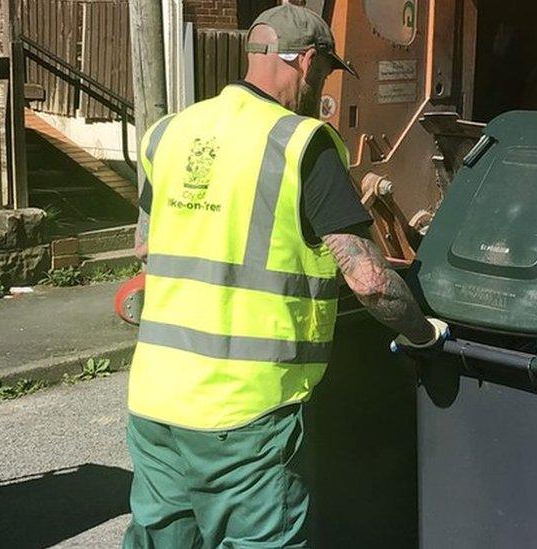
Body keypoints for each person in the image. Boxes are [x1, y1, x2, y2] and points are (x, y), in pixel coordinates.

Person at [123, 4, 448, 547]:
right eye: (322, 73)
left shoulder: (169, 133)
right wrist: (423, 332)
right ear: (310, 62)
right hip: (245, 413)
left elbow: (144, 247)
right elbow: (368, 278)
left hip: (155, 404)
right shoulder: (302, 144)